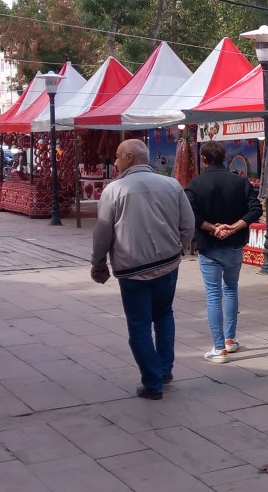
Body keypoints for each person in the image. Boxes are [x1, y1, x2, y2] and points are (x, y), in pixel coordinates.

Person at [91, 139, 194, 401]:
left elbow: (103, 231)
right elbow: (188, 223)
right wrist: (179, 248)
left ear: (128, 157)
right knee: (163, 315)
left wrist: (98, 260)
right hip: (167, 264)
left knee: (138, 325)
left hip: (132, 268)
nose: (114, 162)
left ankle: (153, 383)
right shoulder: (171, 185)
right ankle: (164, 370)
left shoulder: (114, 190)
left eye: (116, 156)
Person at [185, 140, 262, 364]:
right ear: (225, 158)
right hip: (234, 244)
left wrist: (212, 228)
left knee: (213, 295)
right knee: (230, 290)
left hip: (209, 247)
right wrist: (234, 226)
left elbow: (190, 214)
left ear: (204, 159)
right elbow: (255, 208)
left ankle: (219, 348)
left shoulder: (195, 184)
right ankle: (230, 339)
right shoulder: (240, 182)